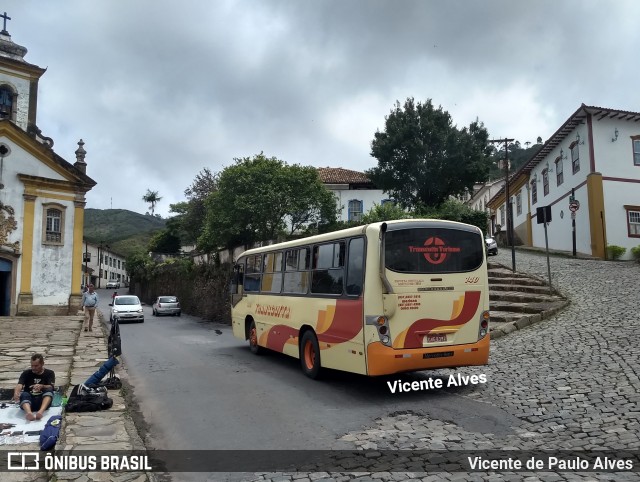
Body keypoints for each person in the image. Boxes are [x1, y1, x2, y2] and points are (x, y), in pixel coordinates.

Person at [12, 354, 55, 421]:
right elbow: (20, 384)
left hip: (42, 400)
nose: (33, 368)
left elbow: (51, 386)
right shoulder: (26, 373)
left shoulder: (49, 373)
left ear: (42, 364)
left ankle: (40, 412)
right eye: (32, 366)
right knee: (24, 394)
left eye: (36, 366)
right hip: (29, 401)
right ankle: (29, 413)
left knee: (49, 390)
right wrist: (16, 392)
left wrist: (42, 386)